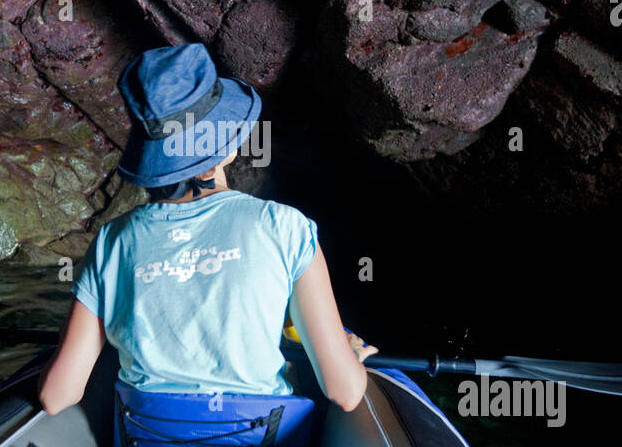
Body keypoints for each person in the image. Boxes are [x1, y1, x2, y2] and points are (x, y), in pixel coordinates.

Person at [38, 42, 376, 416]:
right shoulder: (286, 227)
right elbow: (345, 392)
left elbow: (56, 396)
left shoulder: (111, 242)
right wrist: (351, 355)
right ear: (226, 146)